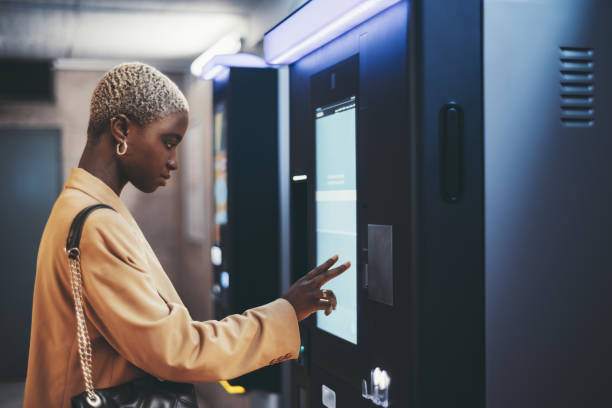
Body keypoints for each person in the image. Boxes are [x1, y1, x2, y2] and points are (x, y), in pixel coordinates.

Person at [23, 62, 350, 407]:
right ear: (121, 130)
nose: (174, 161)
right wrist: (285, 312)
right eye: (168, 142)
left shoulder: (78, 204)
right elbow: (176, 350)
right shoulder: (96, 224)